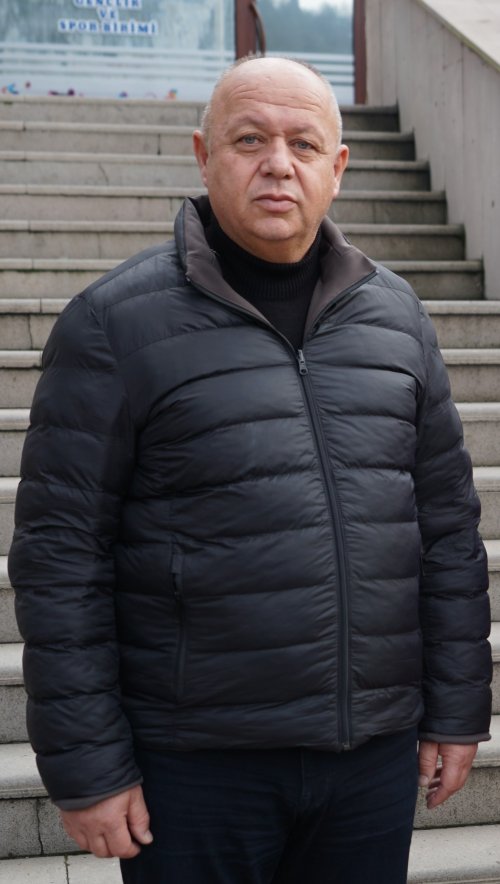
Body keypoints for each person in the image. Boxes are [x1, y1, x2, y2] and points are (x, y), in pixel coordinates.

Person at [9, 56, 492, 884]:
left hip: (368, 759)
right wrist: (88, 764)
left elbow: (447, 533)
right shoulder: (113, 324)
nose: (278, 163)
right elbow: (61, 560)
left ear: (338, 167)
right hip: (195, 767)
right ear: (204, 155)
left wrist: (455, 709)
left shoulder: (397, 319)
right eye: (249, 140)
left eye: (304, 143)